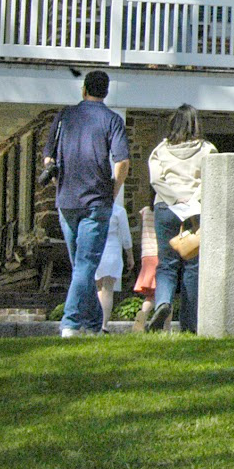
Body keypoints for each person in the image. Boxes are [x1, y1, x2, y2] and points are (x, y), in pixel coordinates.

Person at [42, 69, 130, 338]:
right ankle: (70, 324)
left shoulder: (64, 116)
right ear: (106, 92)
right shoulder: (112, 120)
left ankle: (93, 327)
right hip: (96, 201)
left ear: (83, 89)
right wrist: (113, 191)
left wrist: (59, 182)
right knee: (85, 265)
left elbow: (48, 158)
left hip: (66, 201)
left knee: (82, 265)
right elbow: (123, 162)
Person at [146, 104, 215, 333]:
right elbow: (210, 180)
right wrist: (191, 202)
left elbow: (156, 180)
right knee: (193, 266)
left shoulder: (160, 150)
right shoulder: (208, 150)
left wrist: (174, 200)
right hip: (195, 213)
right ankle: (189, 325)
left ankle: (164, 302)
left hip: (165, 208)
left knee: (166, 264)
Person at [94, 190, 133, 333]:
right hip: (112, 251)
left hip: (97, 249)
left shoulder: (95, 209)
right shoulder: (118, 211)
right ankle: (103, 324)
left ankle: (96, 322)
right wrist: (130, 255)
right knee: (108, 289)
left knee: (98, 287)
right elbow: (125, 236)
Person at [132, 203, 158, 331]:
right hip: (159, 253)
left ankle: (141, 316)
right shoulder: (164, 210)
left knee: (152, 295)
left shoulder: (145, 211)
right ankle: (166, 326)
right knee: (164, 292)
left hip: (146, 254)